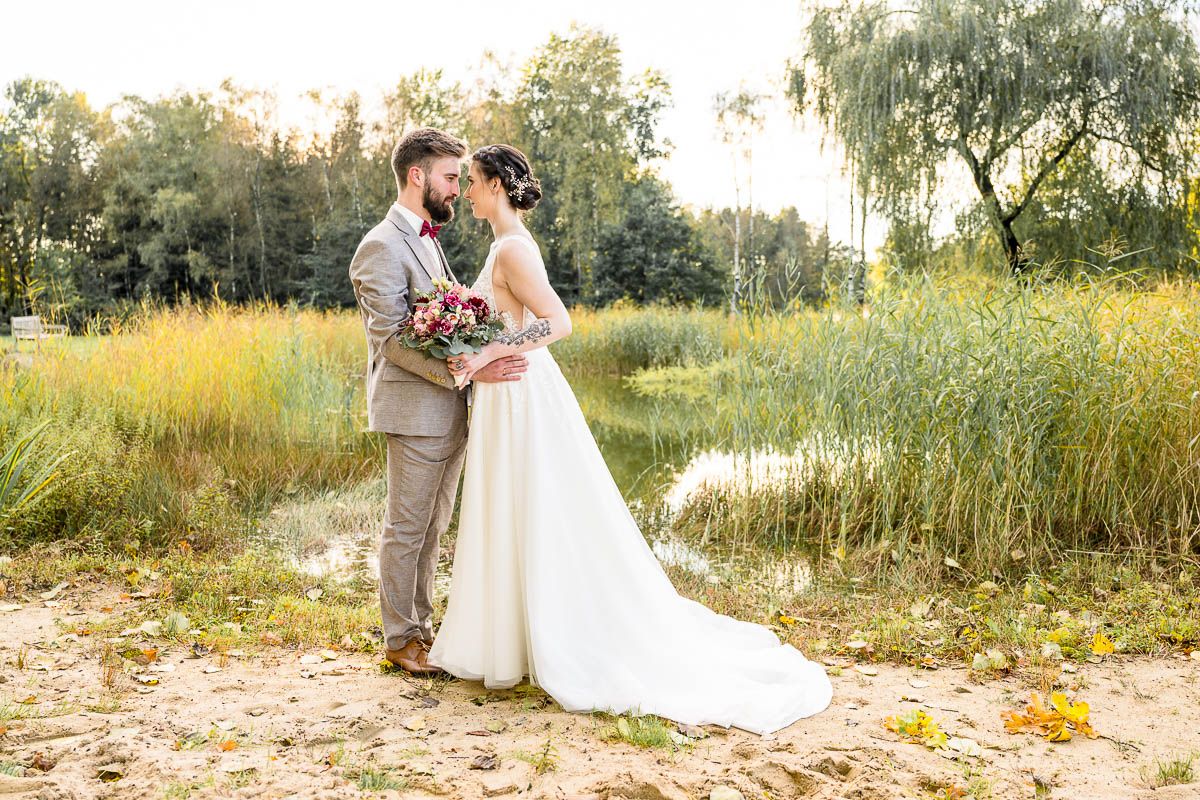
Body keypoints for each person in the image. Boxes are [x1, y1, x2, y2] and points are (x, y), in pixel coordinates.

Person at [428, 144, 832, 734]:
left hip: (521, 396)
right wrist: (470, 345)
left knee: (535, 508)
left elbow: (558, 322)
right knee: (510, 509)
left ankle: (543, 639)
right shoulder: (501, 245)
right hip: (502, 395)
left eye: (473, 182)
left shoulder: (513, 248)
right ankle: (507, 640)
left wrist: (493, 348)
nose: (465, 191)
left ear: (495, 186)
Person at [347, 128, 528, 675]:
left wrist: (478, 358)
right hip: (414, 413)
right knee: (406, 529)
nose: (457, 188)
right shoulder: (380, 245)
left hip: (450, 410)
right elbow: (393, 339)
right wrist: (466, 369)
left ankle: (422, 629)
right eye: (451, 177)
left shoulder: (428, 238)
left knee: (434, 527)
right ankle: (400, 639)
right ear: (417, 176)